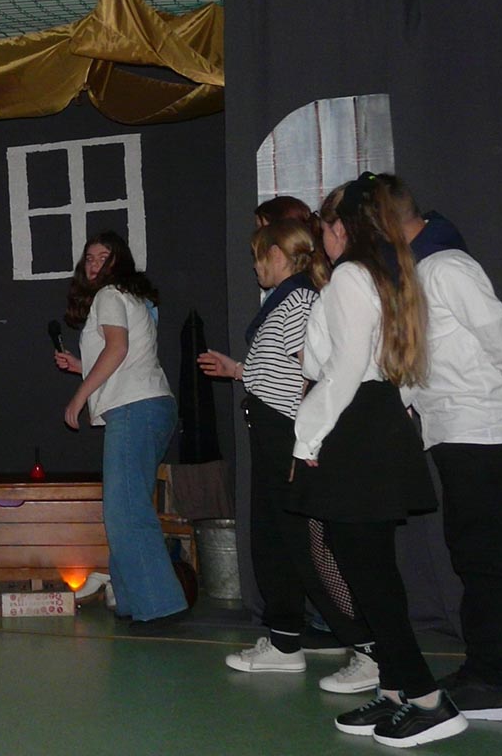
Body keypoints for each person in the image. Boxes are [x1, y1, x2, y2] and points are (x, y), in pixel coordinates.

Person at [290, 174, 466, 747]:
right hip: (378, 421)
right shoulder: (385, 273)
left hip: (354, 428)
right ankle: (394, 691)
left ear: (340, 228)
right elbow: (394, 368)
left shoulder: (349, 276)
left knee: (370, 577)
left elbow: (341, 371)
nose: (322, 240)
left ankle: (428, 700)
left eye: (324, 228)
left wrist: (307, 437)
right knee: (371, 571)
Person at [382, 174, 502, 721]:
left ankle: (495, 683)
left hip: (484, 429)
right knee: (472, 554)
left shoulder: (448, 267)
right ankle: (482, 669)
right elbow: (425, 356)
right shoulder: (421, 269)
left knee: (484, 559)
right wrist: (405, 404)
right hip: (458, 430)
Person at [198, 220, 379, 691]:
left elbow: (312, 373)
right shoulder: (284, 301)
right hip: (270, 435)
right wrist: (239, 371)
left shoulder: (298, 300)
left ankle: (369, 649)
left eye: (259, 255)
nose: (255, 265)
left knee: (309, 547)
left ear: (278, 254)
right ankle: (283, 643)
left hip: (289, 438)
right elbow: (279, 371)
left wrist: (307, 441)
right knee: (272, 544)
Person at [53, 231, 187, 628]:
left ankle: (161, 605)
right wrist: (81, 367)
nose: (94, 263)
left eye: (103, 256)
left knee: (125, 511)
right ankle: (131, 600)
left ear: (119, 260)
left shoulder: (110, 295)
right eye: (89, 258)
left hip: (134, 408)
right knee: (127, 507)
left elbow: (117, 349)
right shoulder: (133, 297)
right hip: (151, 404)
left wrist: (79, 397)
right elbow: (128, 356)